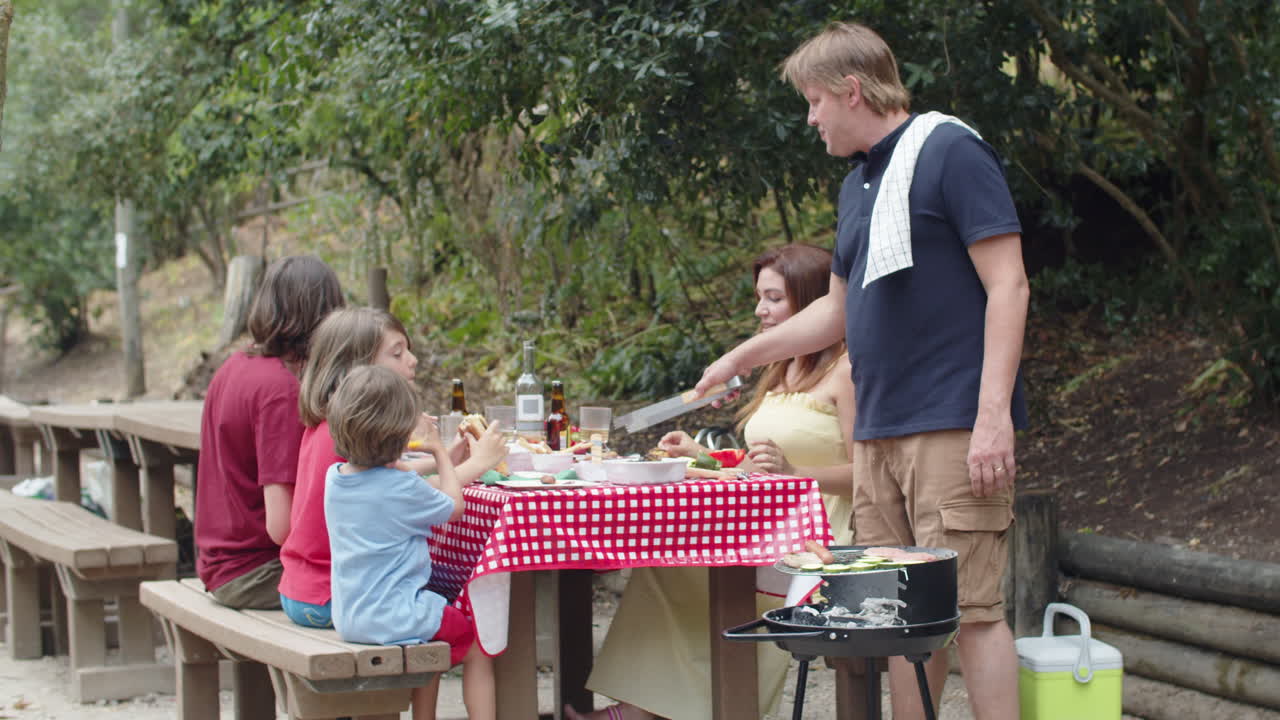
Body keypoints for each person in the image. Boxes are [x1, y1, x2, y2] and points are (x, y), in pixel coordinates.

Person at [695, 22, 1030, 720]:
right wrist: (740, 356)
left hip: (950, 422)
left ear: (852, 90)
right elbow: (837, 314)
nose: (810, 117)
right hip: (877, 429)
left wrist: (992, 417)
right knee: (898, 621)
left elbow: (1010, 285)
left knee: (971, 611)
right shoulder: (860, 186)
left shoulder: (950, 151)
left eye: (815, 101)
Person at [566, 243, 856, 720]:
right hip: (763, 528)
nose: (760, 310)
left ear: (812, 302)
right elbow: (761, 467)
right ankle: (643, 709)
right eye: (759, 298)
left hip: (816, 540)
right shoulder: (782, 369)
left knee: (693, 571)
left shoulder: (845, 372)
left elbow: (869, 474)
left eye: (774, 298)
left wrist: (794, 475)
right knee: (665, 564)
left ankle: (654, 714)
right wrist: (702, 457)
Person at [279, 306, 507, 629]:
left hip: (301, 588)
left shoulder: (334, 428)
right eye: (397, 354)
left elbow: (392, 476)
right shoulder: (336, 437)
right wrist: (479, 463)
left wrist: (447, 457)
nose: (412, 360)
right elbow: (423, 493)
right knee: (446, 592)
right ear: (358, 370)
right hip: (333, 596)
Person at [325, 364, 495, 720]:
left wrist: (445, 458)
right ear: (399, 435)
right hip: (396, 617)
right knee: (479, 646)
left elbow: (395, 475)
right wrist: (440, 454)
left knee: (434, 639)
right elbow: (454, 506)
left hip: (351, 615)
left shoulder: (337, 478)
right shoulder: (399, 488)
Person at [196, 255, 344, 609]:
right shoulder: (281, 390)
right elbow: (283, 527)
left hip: (222, 562)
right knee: (393, 586)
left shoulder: (236, 365)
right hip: (256, 570)